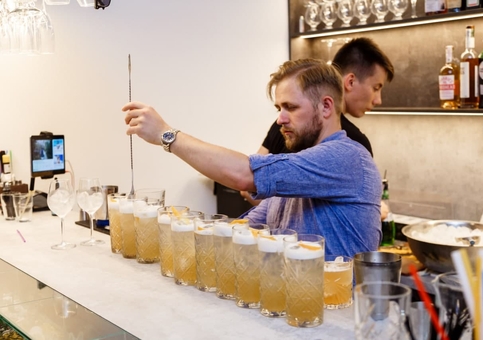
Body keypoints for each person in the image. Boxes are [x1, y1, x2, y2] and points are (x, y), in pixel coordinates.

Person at [123, 58, 382, 257]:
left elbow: (245, 175)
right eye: (279, 108)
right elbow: (237, 232)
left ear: (326, 106)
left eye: (290, 107)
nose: (280, 118)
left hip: (336, 321)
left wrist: (166, 135)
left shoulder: (347, 157)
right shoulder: (298, 173)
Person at [241, 37, 395, 206]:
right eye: (376, 87)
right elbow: (249, 182)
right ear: (350, 82)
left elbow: (250, 182)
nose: (378, 100)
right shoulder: (286, 124)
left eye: (291, 107)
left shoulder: (352, 149)